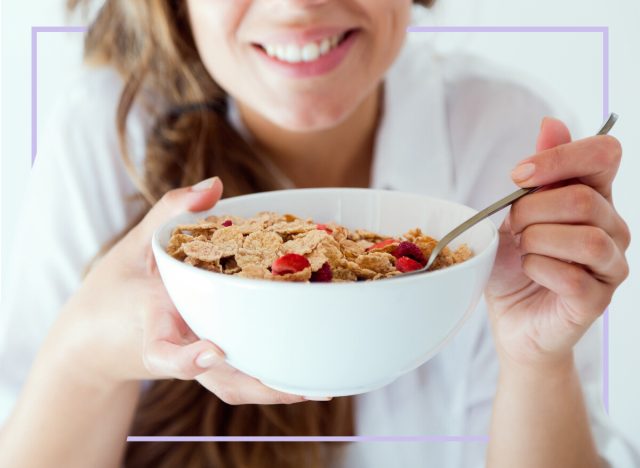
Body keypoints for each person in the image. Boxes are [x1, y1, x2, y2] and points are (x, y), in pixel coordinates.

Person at [0, 0, 636, 467]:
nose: (299, 8)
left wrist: (536, 362)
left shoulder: (500, 140)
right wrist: (87, 354)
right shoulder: (106, 135)